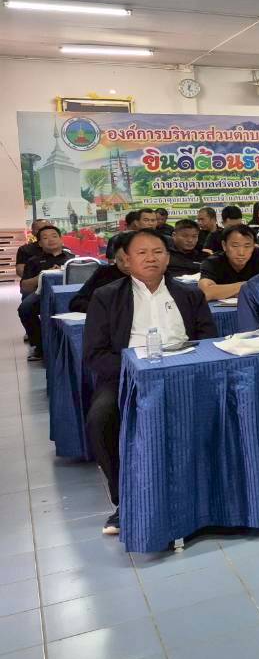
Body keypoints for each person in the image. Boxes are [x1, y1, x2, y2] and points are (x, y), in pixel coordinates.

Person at [84, 229, 217, 536]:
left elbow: (208, 338)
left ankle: (211, 495)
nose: (151, 258)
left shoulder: (189, 294)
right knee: (100, 418)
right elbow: (94, 355)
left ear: (168, 258)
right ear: (126, 260)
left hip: (185, 372)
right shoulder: (106, 297)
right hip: (128, 377)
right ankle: (125, 501)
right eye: (141, 253)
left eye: (157, 252)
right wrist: (137, 370)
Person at [17, 224, 75, 360]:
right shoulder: (34, 261)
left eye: (54, 236)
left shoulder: (72, 259)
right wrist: (42, 276)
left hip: (70, 294)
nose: (51, 239)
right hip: (42, 294)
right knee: (25, 308)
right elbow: (24, 286)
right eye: (45, 238)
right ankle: (40, 346)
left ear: (61, 239)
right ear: (40, 243)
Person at [198, 224, 259, 301]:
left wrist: (227, 292)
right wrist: (248, 285)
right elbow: (205, 292)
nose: (241, 253)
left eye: (247, 246)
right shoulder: (212, 262)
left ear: (254, 246)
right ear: (224, 245)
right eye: (235, 246)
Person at [70, 247, 130, 312]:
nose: (125, 265)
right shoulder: (104, 273)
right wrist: (99, 309)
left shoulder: (138, 278)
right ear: (115, 258)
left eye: (129, 259)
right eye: (120, 260)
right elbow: (76, 302)